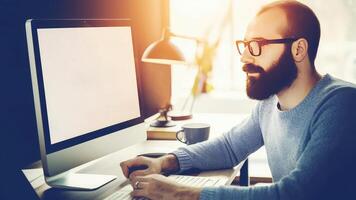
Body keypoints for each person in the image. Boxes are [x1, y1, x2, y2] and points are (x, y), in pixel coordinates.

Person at [120, 1, 356, 199]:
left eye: (257, 45)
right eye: (244, 45)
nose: (244, 56)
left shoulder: (341, 104)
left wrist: (178, 192)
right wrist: (165, 162)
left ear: (298, 49)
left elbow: (294, 194)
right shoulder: (269, 104)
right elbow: (230, 147)